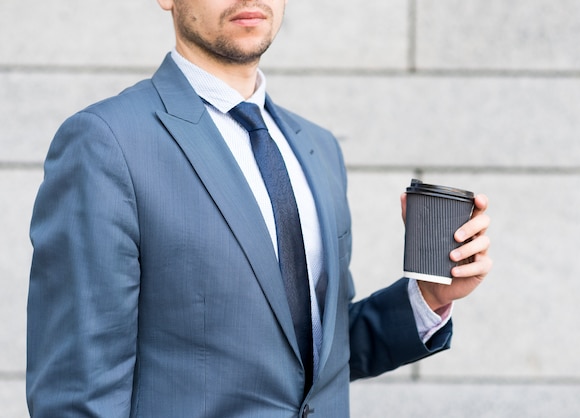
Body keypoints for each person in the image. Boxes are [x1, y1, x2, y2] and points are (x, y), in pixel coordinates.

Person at [26, 0, 492, 417]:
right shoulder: (106, 142)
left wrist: (428, 299)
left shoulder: (317, 148)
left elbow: (312, 359)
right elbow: (76, 392)